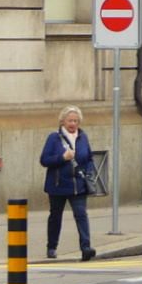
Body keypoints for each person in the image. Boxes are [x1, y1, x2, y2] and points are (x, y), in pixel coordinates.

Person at [40, 106, 96, 261]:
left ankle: (86, 248)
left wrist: (88, 173)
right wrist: (62, 157)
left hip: (78, 185)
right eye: (70, 120)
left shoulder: (82, 137)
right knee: (55, 216)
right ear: (62, 121)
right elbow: (44, 160)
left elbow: (89, 158)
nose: (73, 123)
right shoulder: (54, 138)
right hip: (58, 185)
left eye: (76, 121)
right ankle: (51, 247)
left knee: (81, 215)